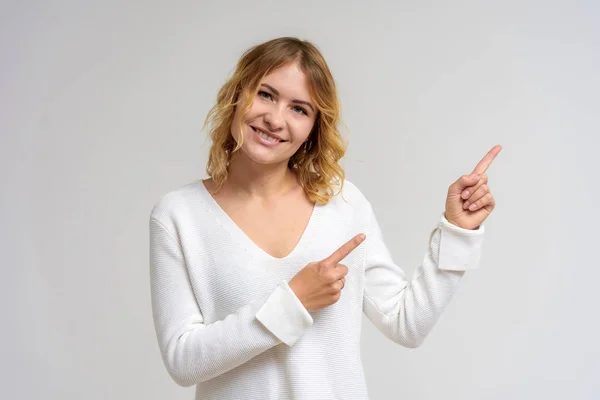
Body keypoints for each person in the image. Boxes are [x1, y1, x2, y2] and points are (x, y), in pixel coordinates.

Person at [149, 36, 502, 400]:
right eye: (266, 94)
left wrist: (458, 231)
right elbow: (182, 361)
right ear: (238, 95)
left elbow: (406, 324)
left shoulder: (343, 203)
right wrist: (292, 303)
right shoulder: (179, 215)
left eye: (299, 109)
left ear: (314, 127)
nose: (275, 119)